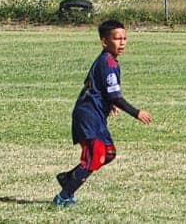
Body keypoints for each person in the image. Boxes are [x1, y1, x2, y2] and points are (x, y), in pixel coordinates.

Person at [54, 19, 153, 207]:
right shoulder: (107, 62)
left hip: (95, 115)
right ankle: (64, 196)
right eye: (117, 39)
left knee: (108, 154)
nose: (122, 42)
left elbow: (94, 84)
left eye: (125, 38)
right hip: (88, 115)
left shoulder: (107, 61)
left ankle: (68, 177)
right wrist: (136, 112)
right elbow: (115, 95)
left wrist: (108, 101)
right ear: (104, 42)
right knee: (95, 157)